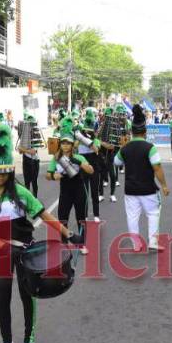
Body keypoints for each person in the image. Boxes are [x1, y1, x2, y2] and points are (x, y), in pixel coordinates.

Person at [0, 121, 81, 343]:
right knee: (2, 295)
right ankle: (6, 342)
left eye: (4, 171)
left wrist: (68, 234)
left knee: (27, 293)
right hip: (2, 252)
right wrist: (2, 246)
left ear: (10, 171)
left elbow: (45, 215)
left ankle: (28, 339)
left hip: (25, 251)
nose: (0, 176)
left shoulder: (21, 193)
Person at [114, 104, 169, 251]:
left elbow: (116, 162)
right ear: (145, 131)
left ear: (131, 132)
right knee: (153, 214)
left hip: (130, 190)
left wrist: (122, 148)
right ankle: (153, 242)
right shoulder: (150, 148)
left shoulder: (125, 148)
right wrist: (164, 185)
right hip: (148, 189)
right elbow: (157, 168)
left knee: (132, 217)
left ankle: (136, 244)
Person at [46, 116, 93, 255]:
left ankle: (81, 244)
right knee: (62, 218)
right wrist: (54, 176)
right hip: (65, 192)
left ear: (73, 145)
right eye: (63, 143)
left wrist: (78, 162)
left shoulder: (79, 157)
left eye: (68, 143)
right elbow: (48, 175)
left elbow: (91, 170)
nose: (65, 145)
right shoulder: (56, 158)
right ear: (60, 144)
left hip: (80, 191)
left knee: (81, 218)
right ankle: (64, 244)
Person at [76, 108, 103, 223]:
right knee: (84, 193)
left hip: (94, 168)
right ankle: (85, 215)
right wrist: (81, 137)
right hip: (83, 168)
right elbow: (74, 147)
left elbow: (96, 149)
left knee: (94, 192)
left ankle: (96, 215)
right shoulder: (79, 139)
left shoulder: (95, 140)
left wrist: (91, 138)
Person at [17, 113, 41, 198]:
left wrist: (24, 149)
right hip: (26, 161)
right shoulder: (24, 136)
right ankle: (27, 200)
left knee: (34, 182)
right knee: (27, 182)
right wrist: (26, 150)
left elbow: (34, 151)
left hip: (35, 161)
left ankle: (35, 199)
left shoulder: (37, 135)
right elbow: (19, 150)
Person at [98, 107, 119, 202]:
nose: (108, 118)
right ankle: (101, 194)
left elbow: (118, 143)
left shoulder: (115, 128)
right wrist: (103, 144)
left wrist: (113, 147)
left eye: (110, 116)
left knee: (113, 176)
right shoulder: (100, 127)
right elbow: (95, 139)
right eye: (107, 116)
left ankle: (112, 194)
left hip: (111, 156)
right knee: (101, 176)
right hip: (101, 155)